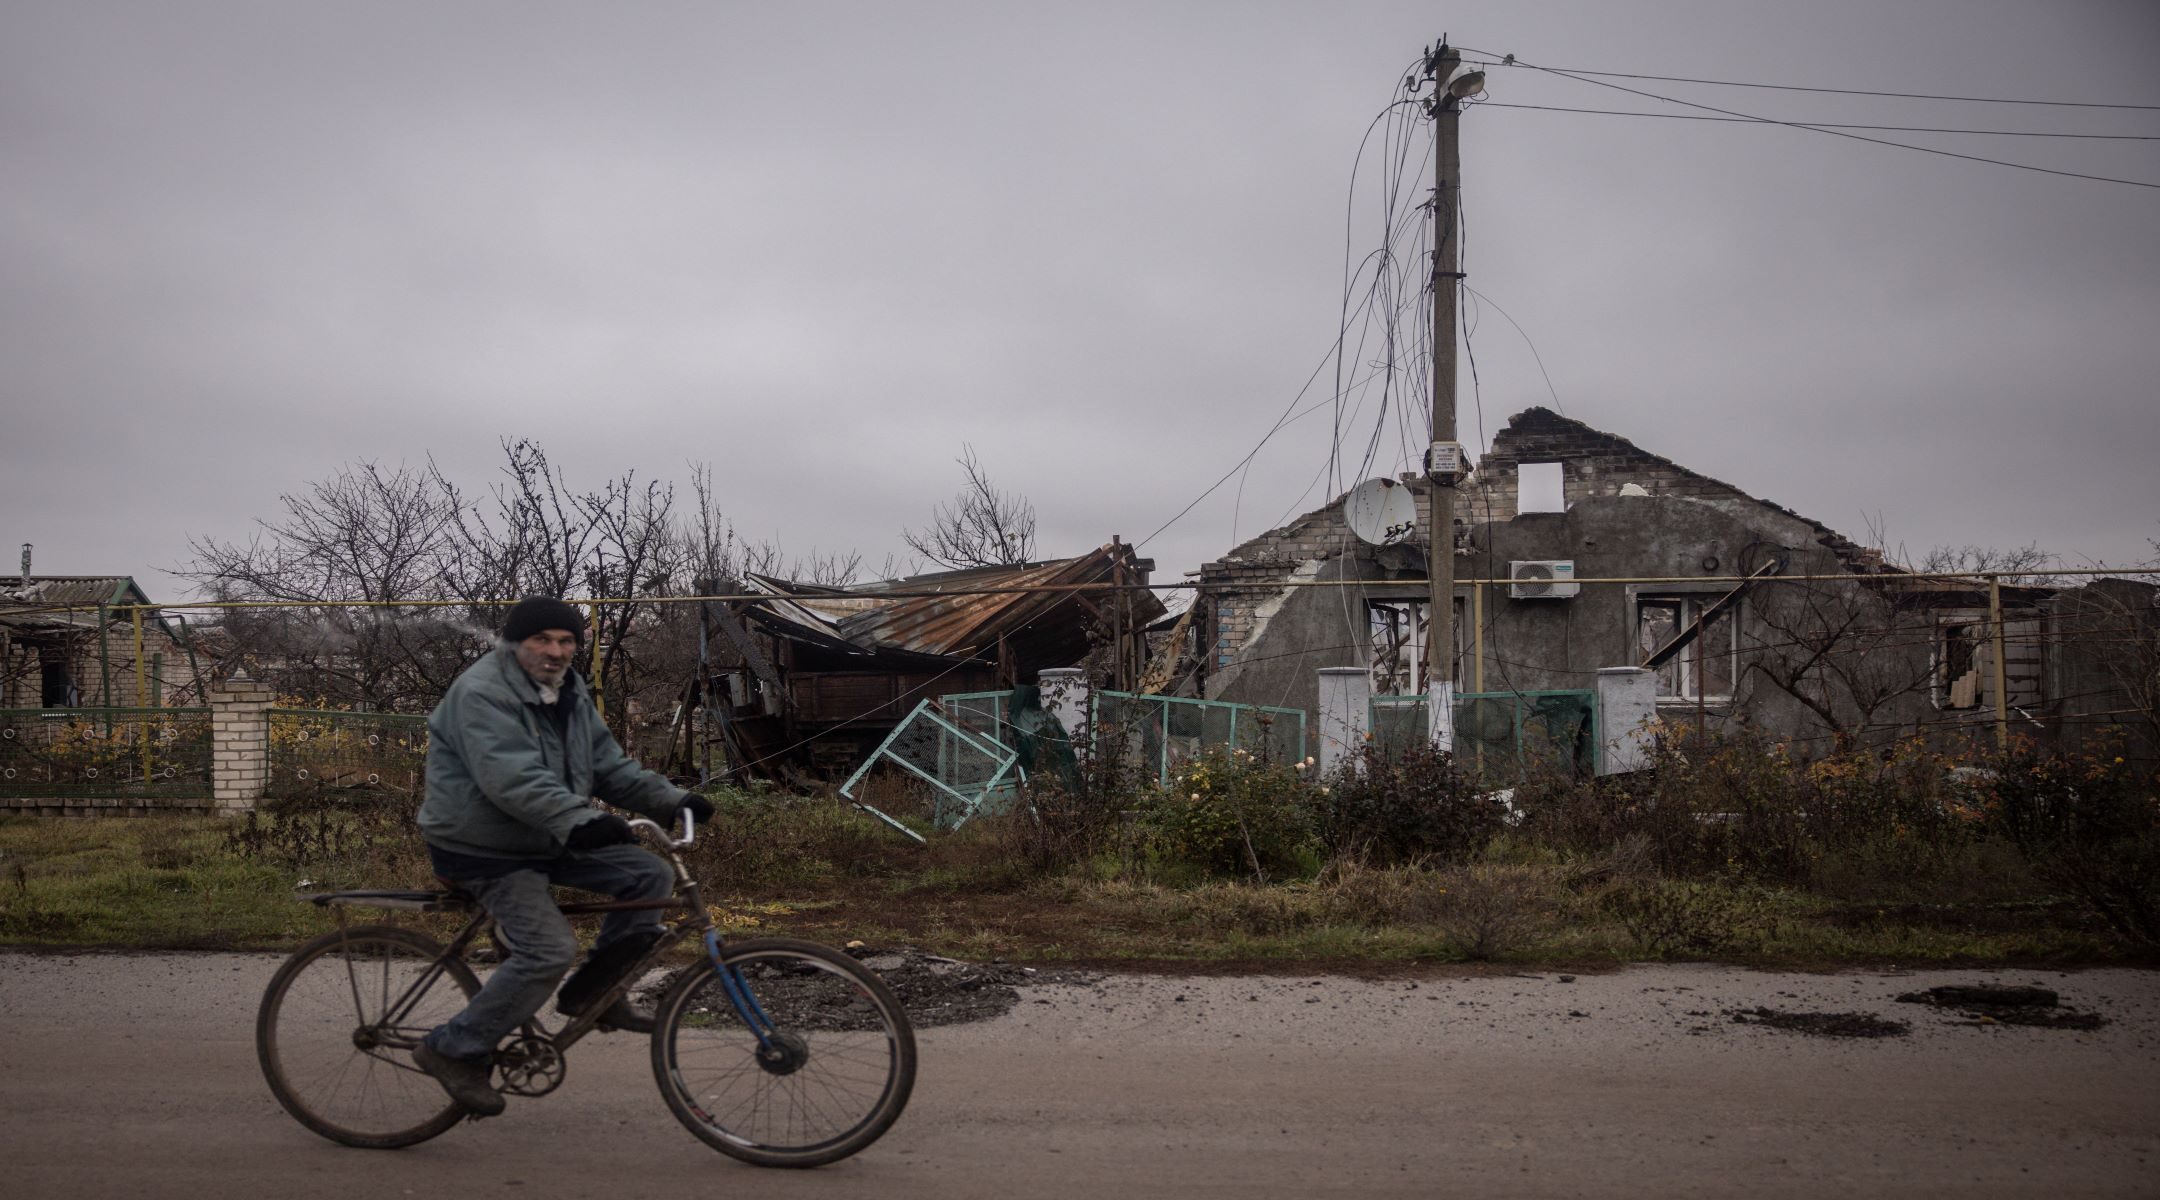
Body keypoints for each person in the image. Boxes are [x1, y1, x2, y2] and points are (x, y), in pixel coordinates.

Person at [411, 595, 714, 1117]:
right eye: (542, 640)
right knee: (547, 949)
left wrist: (673, 800)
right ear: (515, 643)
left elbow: (609, 767)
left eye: (567, 641)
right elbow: (510, 777)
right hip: (482, 847)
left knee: (648, 875)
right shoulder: (482, 693)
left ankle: (596, 993)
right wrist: (581, 820)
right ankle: (452, 1048)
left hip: (543, 836)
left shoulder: (568, 691)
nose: (556, 651)